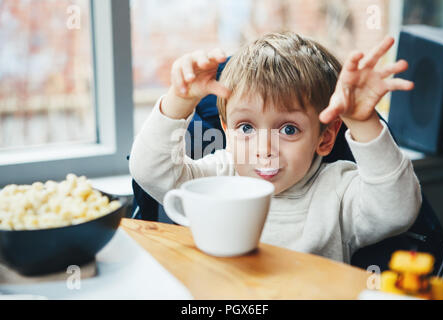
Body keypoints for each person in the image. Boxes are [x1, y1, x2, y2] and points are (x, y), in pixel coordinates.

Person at [129, 32, 422, 264]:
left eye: (289, 129)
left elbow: (397, 210)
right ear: (227, 130)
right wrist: (179, 100)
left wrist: (362, 121)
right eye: (246, 128)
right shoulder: (218, 176)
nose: (264, 149)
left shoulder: (338, 189)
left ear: (325, 138)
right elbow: (150, 172)